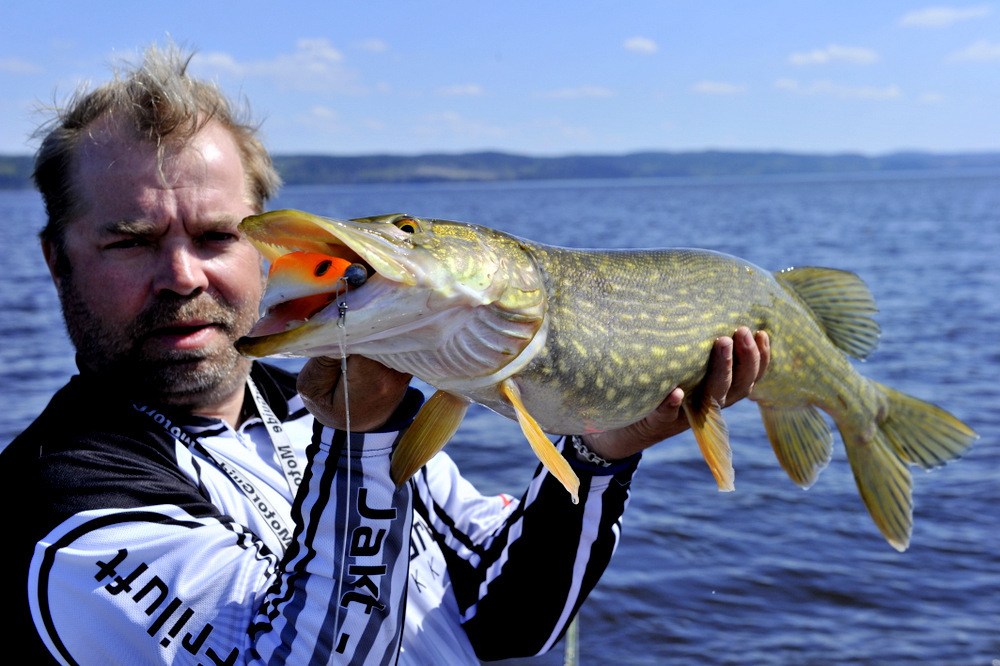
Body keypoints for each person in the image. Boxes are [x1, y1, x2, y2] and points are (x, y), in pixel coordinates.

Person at [2, 43, 770, 664]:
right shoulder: (61, 503)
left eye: (215, 237)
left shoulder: (313, 404)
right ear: (58, 259)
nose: (181, 276)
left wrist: (600, 456)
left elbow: (499, 617)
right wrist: (359, 444)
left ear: (268, 249)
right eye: (129, 242)